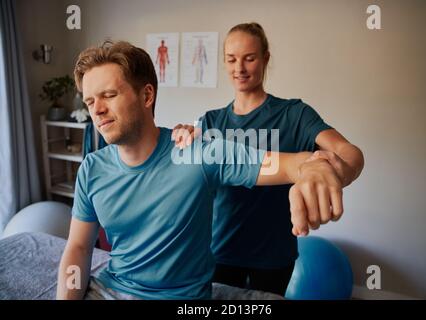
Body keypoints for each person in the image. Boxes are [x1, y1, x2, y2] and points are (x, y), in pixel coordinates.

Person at [56, 40, 344, 300]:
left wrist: (312, 167)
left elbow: (291, 164)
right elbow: (79, 248)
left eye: (108, 95)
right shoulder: (92, 169)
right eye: (90, 101)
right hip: (109, 289)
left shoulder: (199, 152)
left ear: (146, 96)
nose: (97, 110)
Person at [172, 22, 365, 295]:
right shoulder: (211, 121)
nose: (239, 68)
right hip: (220, 252)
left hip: (274, 257)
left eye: (249, 58)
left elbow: (350, 153)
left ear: (265, 58)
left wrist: (332, 173)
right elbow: (192, 181)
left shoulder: (294, 114)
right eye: (231, 59)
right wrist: (184, 141)